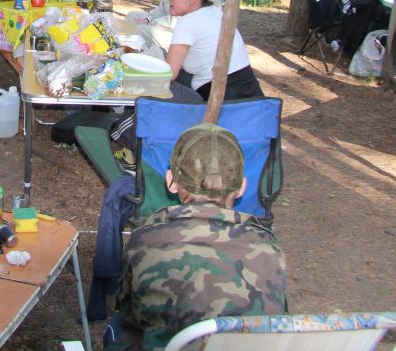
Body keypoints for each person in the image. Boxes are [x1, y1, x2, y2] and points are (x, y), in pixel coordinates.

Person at [106, 124, 287, 350]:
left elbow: (130, 314)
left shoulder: (144, 242)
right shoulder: (270, 247)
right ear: (241, 187)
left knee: (117, 329)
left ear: (171, 181)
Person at [161, 0, 262, 100]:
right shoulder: (217, 14)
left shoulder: (188, 22)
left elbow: (168, 75)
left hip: (220, 102)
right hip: (250, 96)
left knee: (153, 85)